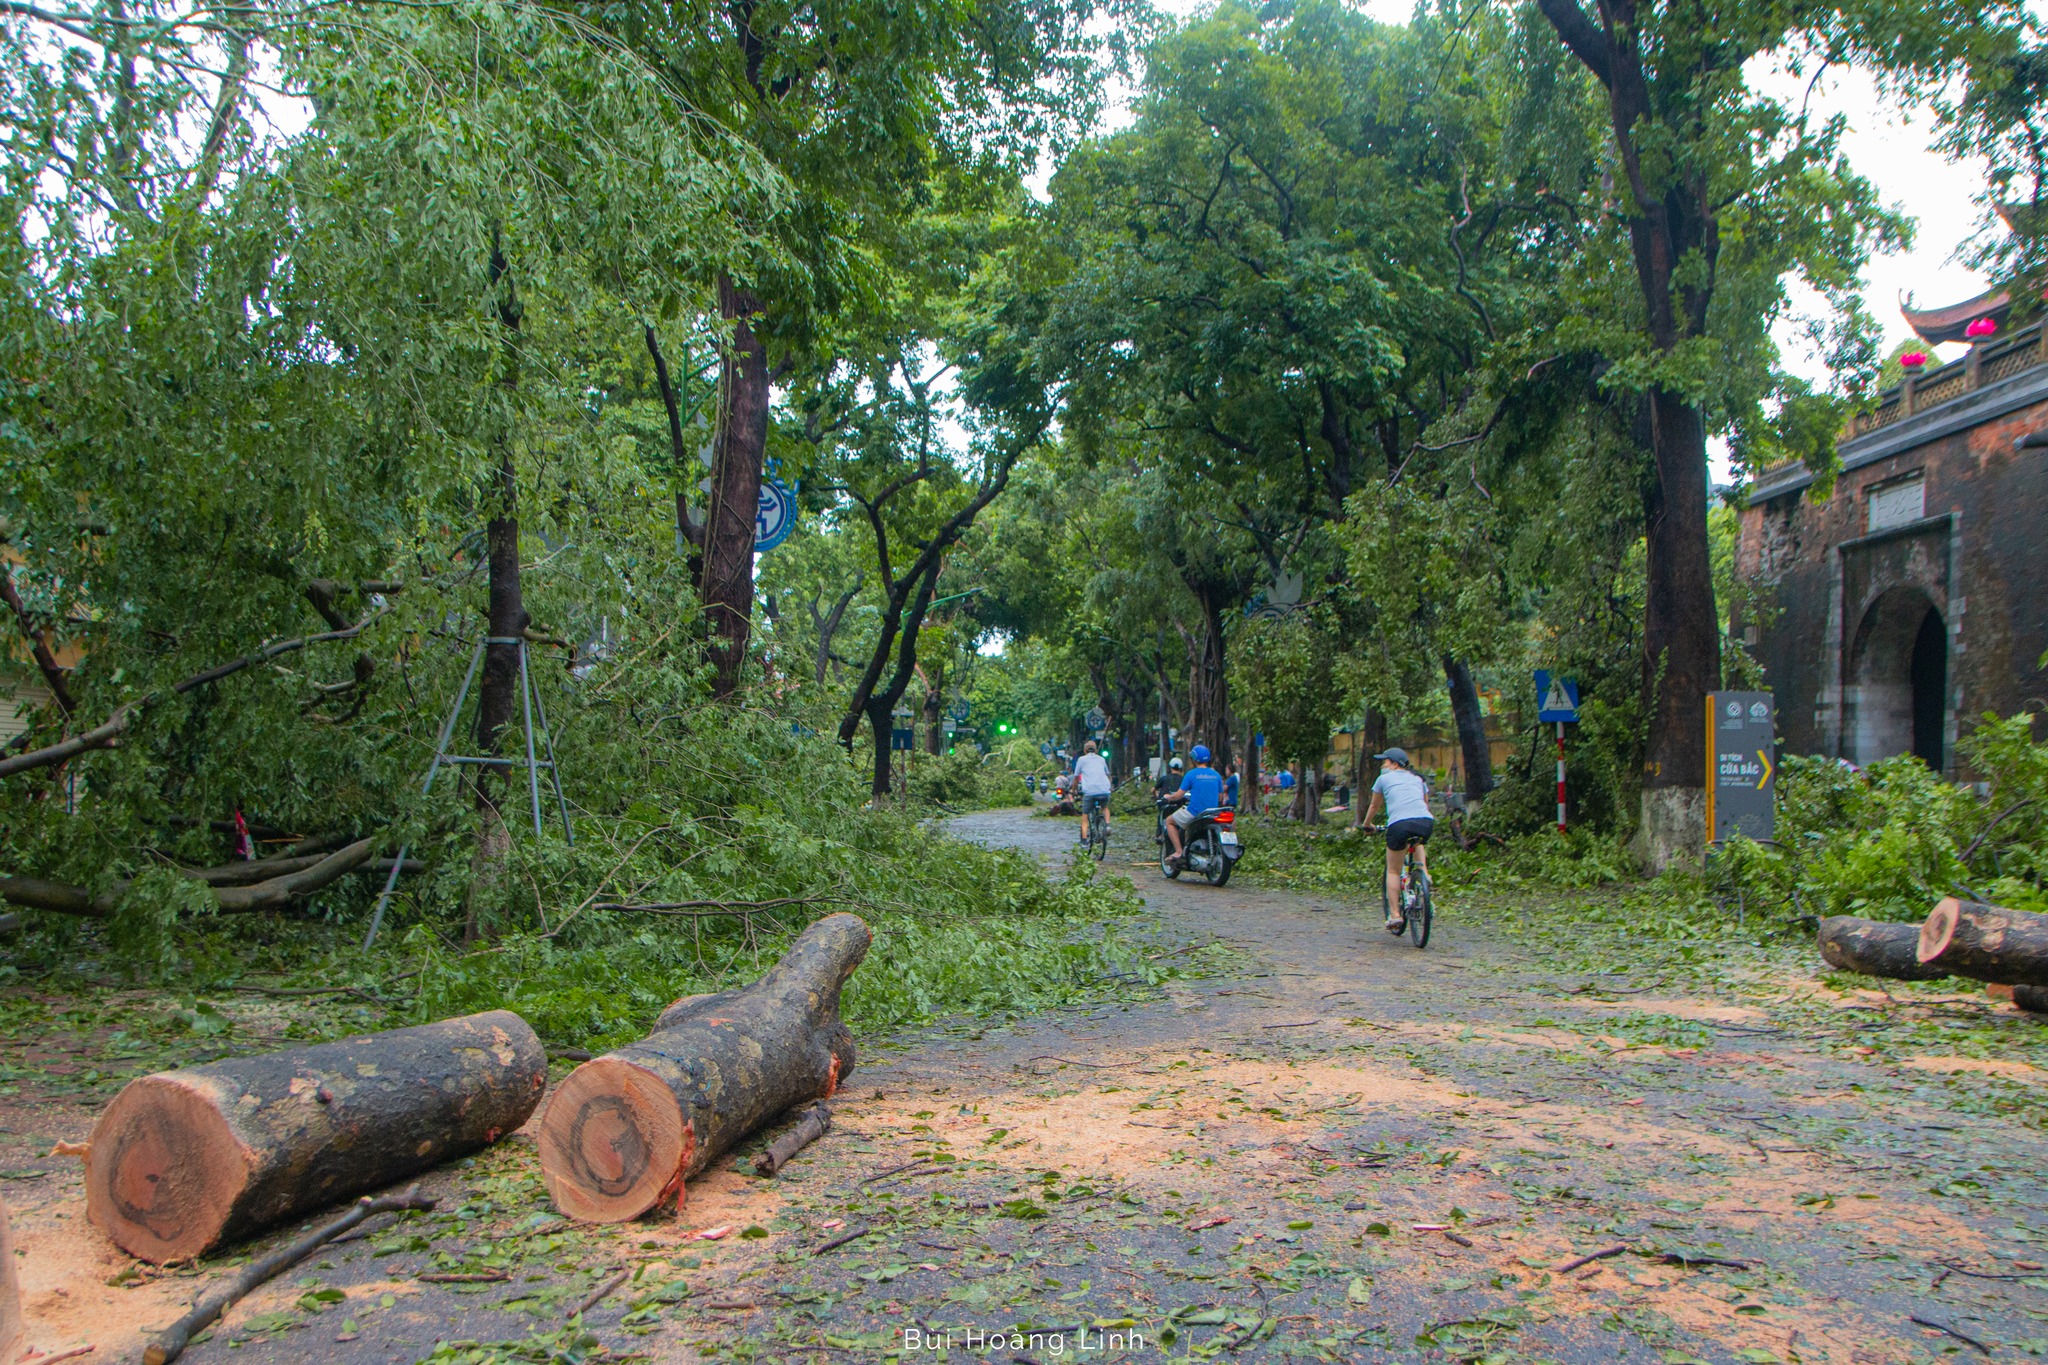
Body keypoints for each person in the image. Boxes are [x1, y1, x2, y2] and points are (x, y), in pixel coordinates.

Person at [1361, 747, 1433, 931]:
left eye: (1385, 761)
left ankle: (1395, 915)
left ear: (1394, 763)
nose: (1383, 765)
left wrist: (1367, 824)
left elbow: (1375, 806)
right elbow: (1424, 805)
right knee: (1417, 841)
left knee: (1393, 871)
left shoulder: (1383, 779)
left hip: (1399, 825)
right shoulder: (1418, 779)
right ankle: (1423, 873)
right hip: (1425, 822)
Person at [1162, 745, 1225, 867]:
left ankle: (1179, 852)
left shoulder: (1191, 774)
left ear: (1194, 759)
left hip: (1195, 812)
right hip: (1213, 813)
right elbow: (1220, 797)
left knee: (1169, 821)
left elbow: (1179, 795)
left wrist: (1168, 797)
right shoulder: (1216, 775)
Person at [1073, 739, 1113, 845]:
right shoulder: (1102, 759)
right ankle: (1108, 824)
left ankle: (1084, 839)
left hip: (1090, 792)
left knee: (1085, 814)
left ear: (1085, 750)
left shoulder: (1081, 760)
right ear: (1095, 750)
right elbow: (1107, 774)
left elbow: (1076, 777)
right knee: (1105, 807)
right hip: (1104, 790)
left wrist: (1073, 790)